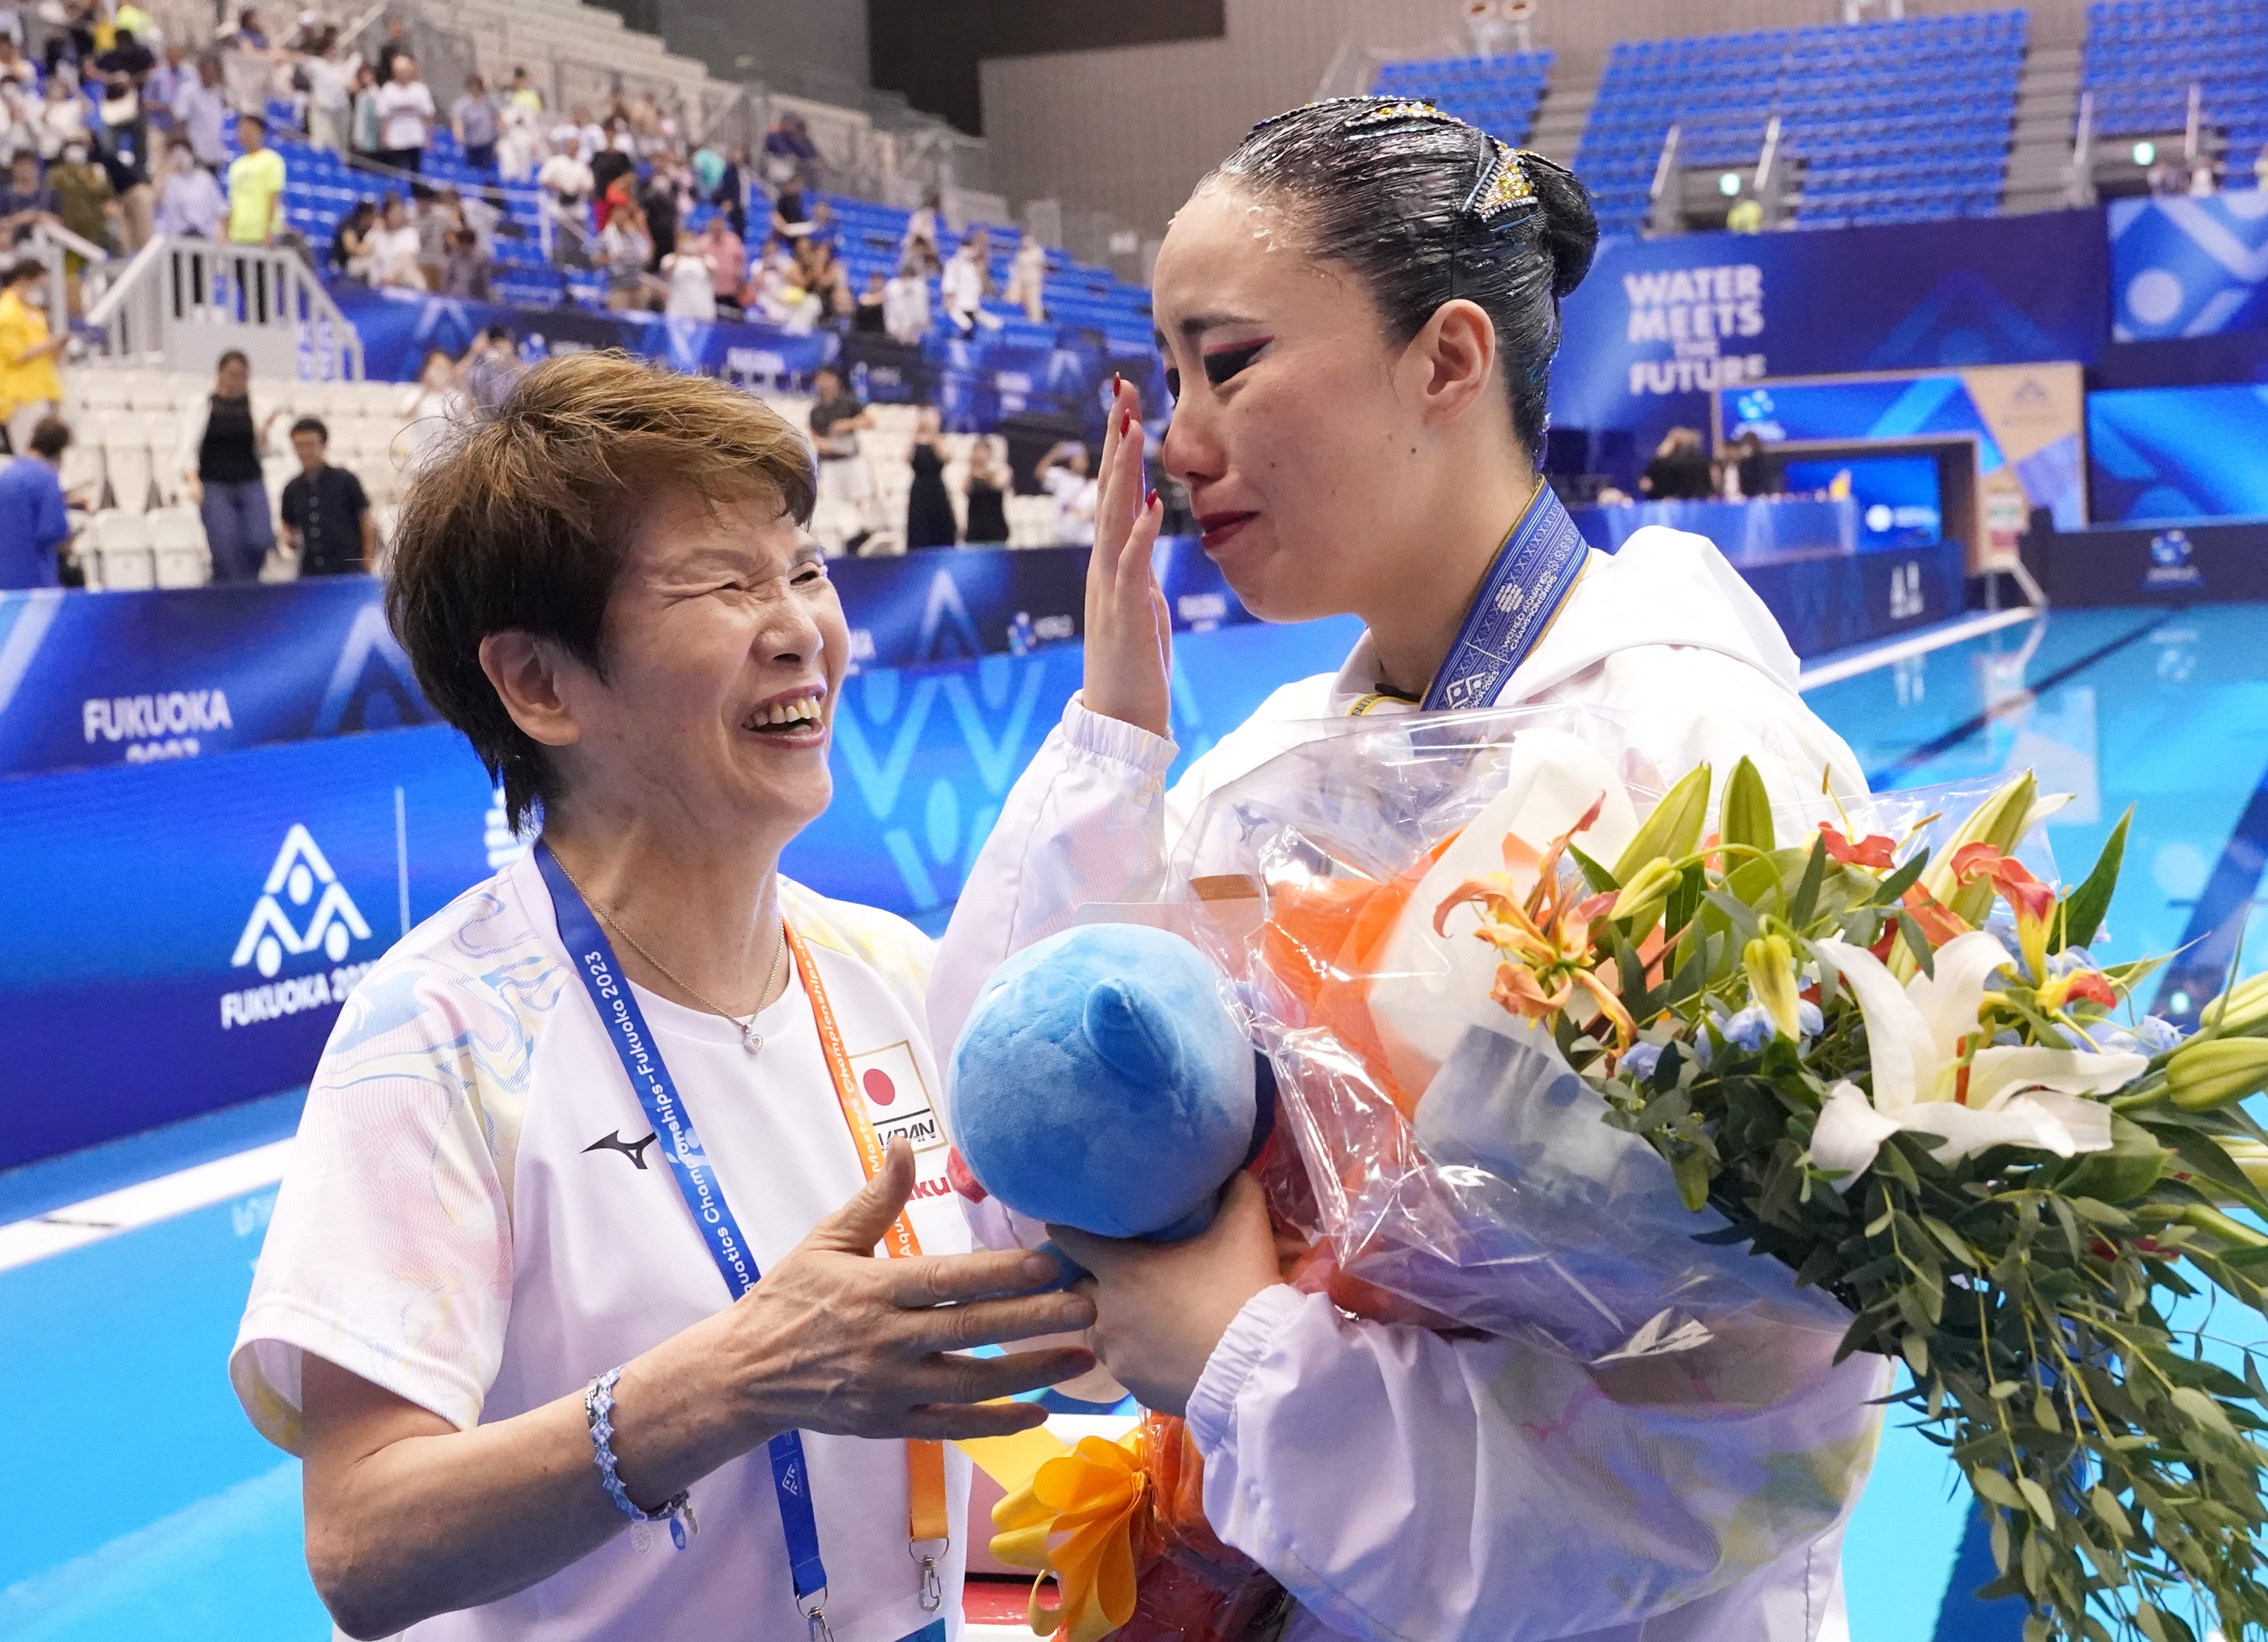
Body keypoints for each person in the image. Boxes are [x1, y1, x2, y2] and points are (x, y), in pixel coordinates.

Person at [930, 99, 1875, 1642]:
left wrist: (1246, 1359)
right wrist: (1111, 752)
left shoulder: (1708, 764)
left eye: (1228, 363)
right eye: (1168, 378)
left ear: (1447, 359)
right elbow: (1023, 1213)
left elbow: (1761, 1440)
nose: (1177, 443)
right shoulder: (1253, 789)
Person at [230, 351, 1094, 1641]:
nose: (800, 621)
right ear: (538, 682)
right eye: (722, 581)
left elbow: (1035, 1374)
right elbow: (362, 1540)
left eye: (800, 566)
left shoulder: (892, 971)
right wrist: (732, 1380)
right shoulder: (442, 1031)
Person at [177, 348, 283, 582]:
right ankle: (234, 593)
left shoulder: (258, 406)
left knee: (261, 539)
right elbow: (188, 448)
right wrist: (193, 481)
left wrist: (264, 432)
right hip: (215, 484)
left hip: (250, 481)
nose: (236, 380)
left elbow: (268, 451)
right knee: (225, 546)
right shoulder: (202, 405)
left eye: (242, 375)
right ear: (220, 374)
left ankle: (235, 586)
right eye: (232, 374)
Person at [278, 415, 372, 576]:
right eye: (299, 446)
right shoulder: (292, 488)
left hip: (348, 569)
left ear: (324, 445)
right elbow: (287, 523)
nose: (305, 452)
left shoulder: (346, 480)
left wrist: (368, 560)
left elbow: (365, 520)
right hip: (311, 571)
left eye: (310, 445)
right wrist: (289, 538)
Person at [0, 412, 74, 585]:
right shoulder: (47, 478)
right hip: (35, 579)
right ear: (60, 450)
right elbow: (53, 531)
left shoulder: (6, 476)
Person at [807, 363, 873, 555]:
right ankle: (848, 537)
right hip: (830, 462)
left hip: (851, 459)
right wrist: (826, 445)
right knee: (834, 502)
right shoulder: (816, 409)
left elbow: (870, 421)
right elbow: (814, 435)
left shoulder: (849, 402)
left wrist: (848, 424)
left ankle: (860, 534)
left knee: (859, 497)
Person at [0, 255, 63, 454]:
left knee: (48, 451)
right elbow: (15, 355)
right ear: (25, 281)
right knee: (29, 450)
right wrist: (47, 345)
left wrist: (55, 348)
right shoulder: (7, 312)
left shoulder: (34, 312)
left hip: (41, 387)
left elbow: (43, 349)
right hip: (20, 394)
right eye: (37, 285)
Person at [223, 110, 282, 245]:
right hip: (238, 235)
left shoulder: (271, 160)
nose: (245, 134)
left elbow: (273, 196)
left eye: (249, 129)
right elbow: (233, 201)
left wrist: (270, 230)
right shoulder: (236, 166)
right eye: (242, 130)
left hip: (261, 235)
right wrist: (228, 232)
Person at [904, 404, 955, 549]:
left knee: (941, 529)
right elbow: (905, 458)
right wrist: (916, 434)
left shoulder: (939, 440)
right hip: (919, 490)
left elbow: (946, 456)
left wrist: (934, 433)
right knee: (919, 530)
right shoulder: (915, 442)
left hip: (936, 489)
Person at [373, 50, 433, 174]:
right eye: (399, 70)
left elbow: (428, 115)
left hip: (416, 139)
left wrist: (429, 138)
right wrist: (385, 138)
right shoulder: (388, 90)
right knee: (396, 174)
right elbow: (383, 117)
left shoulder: (420, 90)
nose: (402, 73)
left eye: (405, 70)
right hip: (395, 141)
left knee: (416, 174)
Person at [152, 132, 222, 236]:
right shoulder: (170, 181)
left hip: (203, 237)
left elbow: (219, 210)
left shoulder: (205, 179)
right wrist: (167, 170)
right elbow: (154, 200)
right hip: (176, 238)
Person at [300, 30, 355, 154]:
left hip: (341, 110)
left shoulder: (341, 68)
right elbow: (299, 59)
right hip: (323, 110)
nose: (335, 51)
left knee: (341, 145)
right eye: (332, 48)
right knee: (324, 140)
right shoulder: (317, 65)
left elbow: (350, 85)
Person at [1033, 440, 1095, 546]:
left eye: (1084, 459)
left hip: (1086, 538)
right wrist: (1054, 454)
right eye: (1079, 459)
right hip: (1063, 535)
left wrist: (1089, 514)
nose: (1082, 462)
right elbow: (1040, 473)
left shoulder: (1093, 484)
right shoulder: (1061, 476)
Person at [598, 198, 654, 310]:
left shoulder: (635, 236)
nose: (621, 215)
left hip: (637, 285)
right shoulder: (606, 237)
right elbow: (595, 259)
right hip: (618, 287)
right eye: (618, 212)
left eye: (623, 212)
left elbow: (647, 257)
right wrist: (611, 258)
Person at [176, 53, 228, 171]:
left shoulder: (218, 92)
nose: (213, 73)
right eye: (211, 69)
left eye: (216, 70)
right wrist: (186, 149)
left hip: (216, 152)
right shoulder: (188, 91)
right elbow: (180, 121)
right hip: (196, 152)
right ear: (201, 70)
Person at [940, 231, 997, 334]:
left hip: (972, 307)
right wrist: (949, 301)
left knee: (996, 324)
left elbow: (982, 290)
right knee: (966, 325)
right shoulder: (954, 264)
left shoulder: (975, 267)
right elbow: (949, 286)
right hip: (956, 306)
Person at [1639, 425, 1714, 501]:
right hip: (1699, 501)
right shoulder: (1702, 461)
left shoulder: (1663, 462)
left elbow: (1649, 483)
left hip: (1669, 501)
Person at [365, 191, 422, 290]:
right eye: (393, 213)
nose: (397, 216)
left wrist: (391, 277)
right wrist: (375, 232)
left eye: (400, 212)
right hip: (378, 282)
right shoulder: (377, 233)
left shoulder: (410, 233)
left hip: (405, 284)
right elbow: (363, 251)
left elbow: (407, 258)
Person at [0, 150, 59, 243]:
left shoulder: (49, 194)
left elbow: (59, 221)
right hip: (14, 244)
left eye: (27, 165)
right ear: (13, 168)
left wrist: (38, 217)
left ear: (35, 166)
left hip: (45, 242)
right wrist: (22, 218)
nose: (24, 169)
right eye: (19, 165)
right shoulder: (5, 195)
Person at [961, 432, 1007, 545]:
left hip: (996, 530)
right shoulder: (970, 476)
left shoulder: (1000, 472)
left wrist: (982, 472)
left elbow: (998, 484)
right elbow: (965, 490)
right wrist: (973, 467)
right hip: (975, 531)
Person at [462, 322, 519, 408]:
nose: (495, 349)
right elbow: (456, 377)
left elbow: (527, 378)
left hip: (507, 414)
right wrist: (474, 351)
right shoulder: (478, 370)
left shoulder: (512, 371)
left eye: (497, 347)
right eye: (492, 345)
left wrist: (509, 355)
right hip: (480, 415)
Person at [660, 227, 712, 320]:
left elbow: (712, 269)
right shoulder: (670, 259)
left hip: (702, 312)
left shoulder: (707, 260)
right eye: (685, 242)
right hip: (678, 311)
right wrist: (679, 253)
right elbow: (668, 271)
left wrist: (699, 253)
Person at [696, 213, 741, 314]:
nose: (717, 229)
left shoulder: (733, 241)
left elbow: (740, 262)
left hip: (732, 291)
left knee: (736, 320)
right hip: (711, 292)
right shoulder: (703, 243)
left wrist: (740, 283)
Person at [451, 71, 496, 171]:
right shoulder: (462, 105)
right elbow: (458, 122)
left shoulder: (489, 103)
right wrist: (459, 137)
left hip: (487, 143)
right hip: (471, 144)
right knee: (473, 169)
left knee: (486, 169)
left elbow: (496, 117)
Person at [1001, 232, 1047, 323]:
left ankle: (1037, 325)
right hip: (1021, 283)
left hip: (1033, 284)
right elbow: (1017, 270)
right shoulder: (1020, 255)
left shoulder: (1038, 252)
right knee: (1010, 299)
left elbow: (1041, 268)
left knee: (1034, 306)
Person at [440, 223, 489, 299]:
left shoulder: (481, 260)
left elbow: (483, 284)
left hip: (472, 298)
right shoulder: (454, 257)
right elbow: (447, 280)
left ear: (472, 245)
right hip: (452, 297)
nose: (463, 248)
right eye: (461, 245)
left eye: (466, 245)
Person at [1733, 429, 1782, 499]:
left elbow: (1773, 479)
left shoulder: (1765, 461)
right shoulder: (1742, 463)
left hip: (1764, 497)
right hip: (1746, 499)